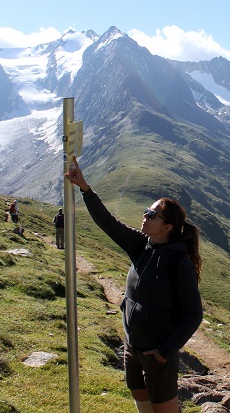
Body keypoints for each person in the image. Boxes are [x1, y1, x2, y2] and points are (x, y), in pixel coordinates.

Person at [64, 155, 203, 413]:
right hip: (132, 347)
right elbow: (108, 223)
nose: (145, 216)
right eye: (146, 211)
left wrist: (165, 351)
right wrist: (85, 189)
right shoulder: (142, 245)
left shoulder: (178, 263)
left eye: (152, 214)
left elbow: (194, 314)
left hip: (157, 354)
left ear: (168, 226)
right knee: (142, 406)